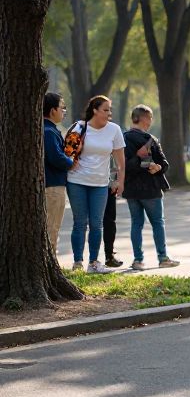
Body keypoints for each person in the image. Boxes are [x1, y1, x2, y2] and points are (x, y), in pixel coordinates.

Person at [66, 95, 126, 272]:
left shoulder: (114, 130)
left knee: (96, 223)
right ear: (95, 110)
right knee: (79, 223)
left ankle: (94, 263)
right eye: (105, 109)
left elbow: (120, 162)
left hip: (100, 184)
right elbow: (67, 152)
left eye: (110, 110)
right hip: (77, 181)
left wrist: (119, 182)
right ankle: (77, 263)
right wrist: (71, 161)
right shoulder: (80, 127)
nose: (109, 113)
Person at [123, 105, 179, 270]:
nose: (151, 121)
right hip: (151, 189)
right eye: (150, 117)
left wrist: (157, 167)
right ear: (144, 118)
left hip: (131, 189)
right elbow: (164, 163)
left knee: (136, 223)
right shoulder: (150, 139)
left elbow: (123, 165)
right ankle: (162, 258)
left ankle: (138, 260)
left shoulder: (122, 139)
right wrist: (152, 165)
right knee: (157, 223)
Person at [43, 92, 74, 252]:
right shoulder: (48, 131)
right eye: (62, 108)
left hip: (51, 185)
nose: (64, 111)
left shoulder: (49, 129)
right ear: (52, 110)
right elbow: (56, 157)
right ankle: (51, 261)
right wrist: (72, 163)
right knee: (52, 227)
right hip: (53, 187)